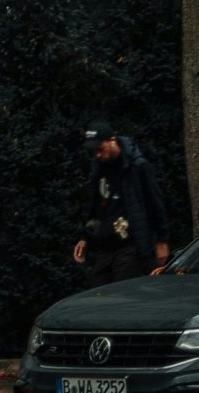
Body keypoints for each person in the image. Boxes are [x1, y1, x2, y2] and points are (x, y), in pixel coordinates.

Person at [73, 122, 171, 286]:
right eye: (93, 151)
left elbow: (155, 203)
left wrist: (162, 241)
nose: (97, 154)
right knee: (98, 292)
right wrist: (85, 238)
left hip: (130, 245)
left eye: (100, 149)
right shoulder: (99, 167)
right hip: (105, 245)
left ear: (112, 140)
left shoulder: (137, 165)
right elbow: (94, 207)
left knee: (122, 292)